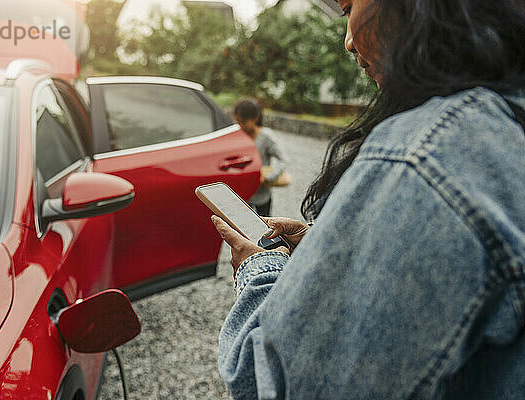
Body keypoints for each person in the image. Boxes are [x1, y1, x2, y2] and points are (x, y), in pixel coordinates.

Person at [210, 0, 525, 398]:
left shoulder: (422, 159)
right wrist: (339, 249)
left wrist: (259, 266)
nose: (347, 42)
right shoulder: (506, 121)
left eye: (348, 8)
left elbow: (275, 381)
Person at [234, 98, 287, 217]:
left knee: (265, 228)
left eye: (243, 122)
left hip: (262, 196)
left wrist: (269, 177)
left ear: (255, 119)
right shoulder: (238, 135)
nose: (240, 126)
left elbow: (282, 160)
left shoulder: (266, 137)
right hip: (243, 195)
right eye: (238, 122)